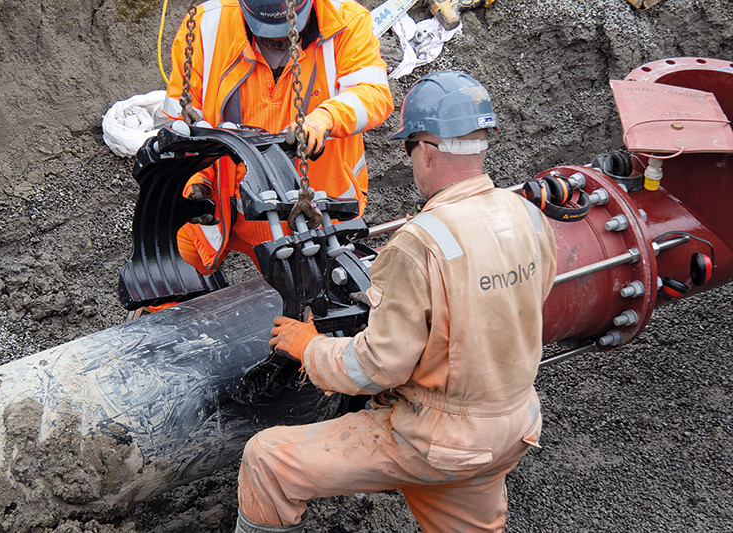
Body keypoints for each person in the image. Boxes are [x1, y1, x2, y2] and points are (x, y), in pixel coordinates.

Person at [235, 71, 559, 532]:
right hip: (512, 429)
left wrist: (307, 345)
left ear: (424, 149)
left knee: (267, 460)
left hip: (435, 440)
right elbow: (518, 302)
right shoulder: (528, 215)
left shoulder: (419, 243)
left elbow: (374, 370)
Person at [162, 0, 393, 275]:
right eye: (267, 31)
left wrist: (325, 119)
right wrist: (196, 178)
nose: (279, 38)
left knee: (311, 308)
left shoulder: (347, 22)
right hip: (223, 202)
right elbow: (181, 120)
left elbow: (373, 94)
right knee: (167, 273)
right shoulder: (208, 24)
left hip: (312, 212)